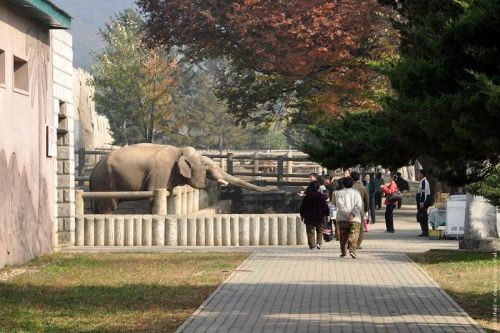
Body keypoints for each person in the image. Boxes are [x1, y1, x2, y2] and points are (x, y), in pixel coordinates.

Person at [332, 177, 362, 258]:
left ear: (343, 184)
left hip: (342, 218)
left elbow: (340, 205)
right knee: (354, 234)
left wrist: (346, 214)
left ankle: (343, 251)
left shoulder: (339, 193)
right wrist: (352, 214)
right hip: (355, 219)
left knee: (343, 235)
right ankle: (352, 250)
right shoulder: (356, 193)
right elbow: (359, 205)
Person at [300, 180, 330, 249]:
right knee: (320, 230)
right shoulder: (321, 196)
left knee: (310, 232)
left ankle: (312, 245)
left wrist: (302, 215)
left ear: (310, 187)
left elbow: (302, 207)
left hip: (309, 217)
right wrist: (327, 214)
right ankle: (319, 243)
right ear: (318, 187)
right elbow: (325, 206)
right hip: (319, 217)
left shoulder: (307, 197)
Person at [350, 171, 369, 249]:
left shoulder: (349, 187)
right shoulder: (362, 187)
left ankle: (350, 243)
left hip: (350, 210)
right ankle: (358, 244)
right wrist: (366, 209)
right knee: (360, 228)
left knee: (351, 226)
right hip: (360, 210)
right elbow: (366, 200)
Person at [416, 169, 432, 237]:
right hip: (422, 201)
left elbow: (423, 193)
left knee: (422, 216)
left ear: (422, 174)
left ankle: (425, 232)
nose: (418, 175)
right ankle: (424, 231)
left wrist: (422, 202)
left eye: (419, 173)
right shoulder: (422, 181)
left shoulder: (424, 182)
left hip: (424, 202)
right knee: (421, 215)